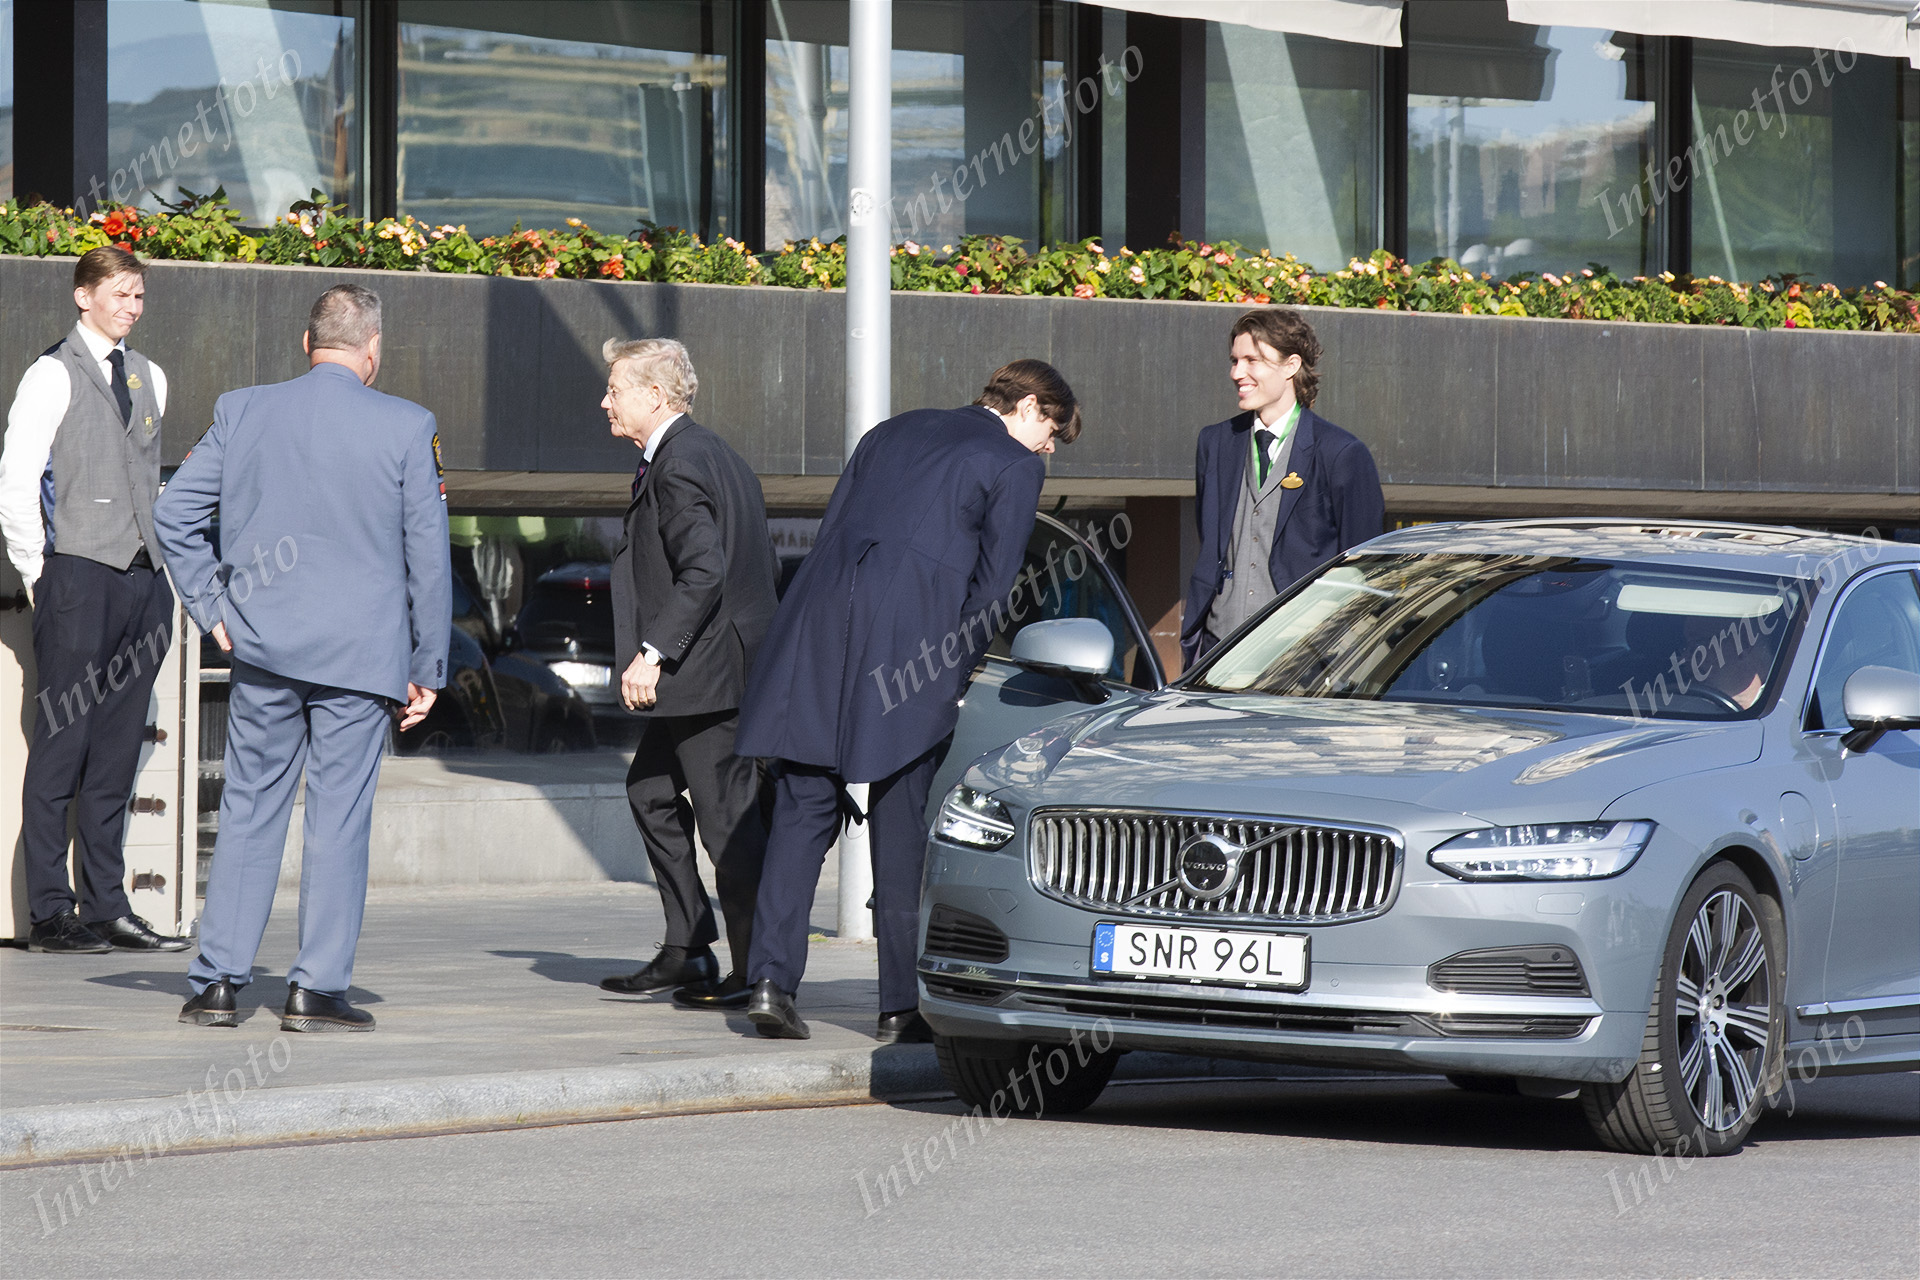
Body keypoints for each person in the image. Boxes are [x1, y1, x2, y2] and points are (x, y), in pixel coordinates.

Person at [735, 359, 1079, 1041]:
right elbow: (991, 590)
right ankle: (900, 1006)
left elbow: (833, 533)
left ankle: (771, 983)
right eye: (1055, 433)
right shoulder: (1014, 463)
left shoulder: (890, 433)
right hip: (912, 650)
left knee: (802, 809)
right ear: (1033, 405)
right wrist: (952, 682)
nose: (1049, 449)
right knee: (901, 824)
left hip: (819, 631)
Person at [153, 284, 450, 1031]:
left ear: (306, 341)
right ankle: (314, 990)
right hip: (361, 657)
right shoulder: (409, 427)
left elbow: (173, 514)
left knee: (250, 809)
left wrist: (211, 606)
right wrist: (429, 665)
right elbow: (428, 559)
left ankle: (218, 982)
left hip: (265, 649)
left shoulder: (243, 409)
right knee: (338, 819)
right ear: (372, 352)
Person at [0, 246, 188, 954]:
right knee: (61, 744)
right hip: (76, 574)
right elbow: (16, 479)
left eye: (138, 296)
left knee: (115, 747)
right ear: (84, 297)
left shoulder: (151, 375)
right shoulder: (51, 374)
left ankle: (107, 905)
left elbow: (149, 477)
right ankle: (51, 911)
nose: (131, 307)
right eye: (119, 294)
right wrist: (38, 572)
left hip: (144, 579)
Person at [595, 338, 778, 1010]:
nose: (605, 401)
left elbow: (707, 570)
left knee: (729, 823)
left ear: (655, 396)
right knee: (649, 790)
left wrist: (654, 652)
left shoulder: (680, 465)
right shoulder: (711, 453)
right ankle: (688, 946)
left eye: (615, 388)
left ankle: (757, 972)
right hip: (713, 675)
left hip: (710, 679)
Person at [1182, 308, 1384, 669]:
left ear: (1291, 366)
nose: (1236, 373)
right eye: (1234, 360)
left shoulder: (1341, 453)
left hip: (1303, 661)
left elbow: (1364, 568)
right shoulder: (1214, 443)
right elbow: (1212, 542)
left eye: (1252, 361)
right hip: (1217, 655)